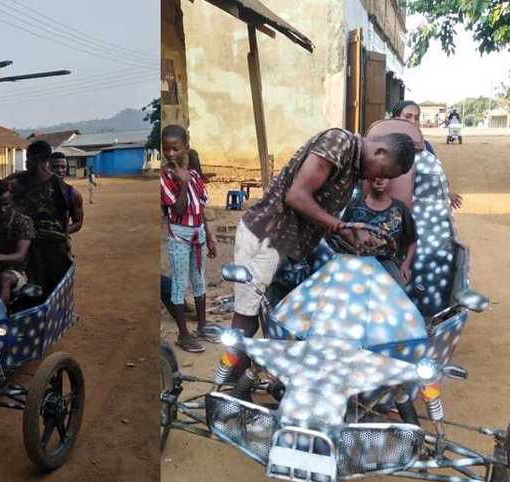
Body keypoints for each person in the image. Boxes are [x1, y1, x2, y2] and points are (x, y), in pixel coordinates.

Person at [224, 128, 416, 382]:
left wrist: (349, 235)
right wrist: (340, 225)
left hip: (288, 247)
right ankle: (231, 387)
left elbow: (320, 212)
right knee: (246, 319)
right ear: (380, 152)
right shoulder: (338, 143)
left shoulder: (353, 169)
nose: (376, 179)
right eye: (382, 172)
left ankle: (265, 381)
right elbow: (297, 196)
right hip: (266, 238)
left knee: (283, 316)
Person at [160, 125, 217, 353]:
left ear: (186, 147)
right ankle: (183, 335)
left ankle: (202, 327)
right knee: (179, 284)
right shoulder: (165, 177)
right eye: (166, 149)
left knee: (199, 280)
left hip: (198, 234)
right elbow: (178, 208)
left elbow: (200, 209)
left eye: (175, 148)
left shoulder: (194, 176)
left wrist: (209, 236)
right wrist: (182, 183)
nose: (170, 153)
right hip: (180, 236)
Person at [7, 141, 83, 294]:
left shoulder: (68, 192)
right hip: (22, 252)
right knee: (23, 294)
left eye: (27, 159)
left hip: (54, 255)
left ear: (35, 159)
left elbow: (78, 223)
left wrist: (62, 232)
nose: (26, 163)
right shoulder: (16, 183)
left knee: (54, 293)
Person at [340, 176, 418, 285]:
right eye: (376, 175)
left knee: (397, 291)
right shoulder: (354, 205)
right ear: (368, 177)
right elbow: (341, 231)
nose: (380, 180)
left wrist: (405, 265)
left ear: (391, 177)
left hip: (386, 262)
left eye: (385, 175)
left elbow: (412, 240)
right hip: (354, 260)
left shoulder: (400, 209)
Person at [390, 100, 462, 209]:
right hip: (391, 207)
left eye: (416, 118)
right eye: (407, 116)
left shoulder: (425, 146)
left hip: (419, 208)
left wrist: (446, 192)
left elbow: (436, 173)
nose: (413, 121)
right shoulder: (384, 144)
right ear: (396, 118)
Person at [49, 152, 84, 233]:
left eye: (63, 167)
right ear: (47, 167)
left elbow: (78, 223)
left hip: (59, 240)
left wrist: (60, 233)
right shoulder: (35, 190)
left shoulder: (73, 194)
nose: (60, 170)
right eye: (55, 167)